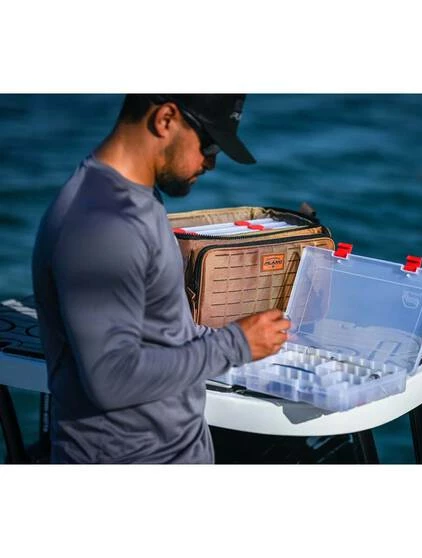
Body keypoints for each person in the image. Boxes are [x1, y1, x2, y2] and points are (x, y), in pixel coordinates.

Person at [32, 94, 291, 464]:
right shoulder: (101, 224)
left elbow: (160, 334)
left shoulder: (136, 198)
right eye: (210, 144)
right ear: (166, 119)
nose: (212, 162)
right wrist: (236, 344)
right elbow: (112, 379)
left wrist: (247, 339)